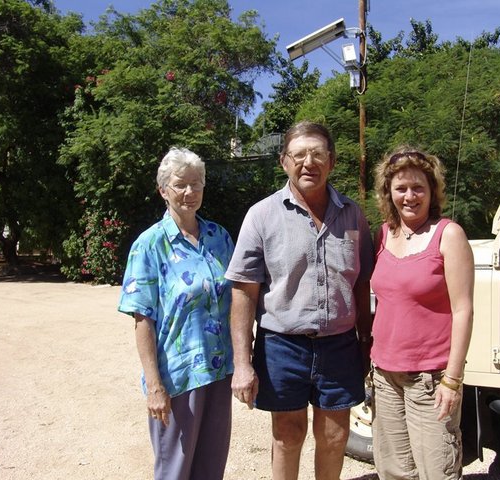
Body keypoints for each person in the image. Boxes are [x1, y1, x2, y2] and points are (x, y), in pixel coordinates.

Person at [225, 121, 374, 480]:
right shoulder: (261, 215)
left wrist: (367, 343)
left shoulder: (353, 215)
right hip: (281, 346)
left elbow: (362, 283)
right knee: (287, 436)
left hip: (339, 346)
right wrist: (242, 363)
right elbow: (244, 292)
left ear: (332, 162)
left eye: (318, 154)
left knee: (335, 436)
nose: (309, 162)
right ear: (284, 162)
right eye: (300, 154)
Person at [118, 147, 234, 480]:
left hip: (219, 373)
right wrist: (155, 387)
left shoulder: (219, 237)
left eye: (196, 184)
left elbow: (238, 296)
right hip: (177, 379)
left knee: (211, 468)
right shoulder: (149, 244)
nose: (190, 192)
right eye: (181, 184)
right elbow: (143, 319)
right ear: (163, 190)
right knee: (175, 471)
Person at [370, 147, 474, 480]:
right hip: (385, 377)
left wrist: (452, 380)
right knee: (394, 471)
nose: (410, 196)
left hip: (430, 379)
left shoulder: (449, 235)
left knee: (437, 471)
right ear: (389, 192)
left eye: (419, 188)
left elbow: (463, 310)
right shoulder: (383, 235)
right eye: (401, 188)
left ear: (432, 192)